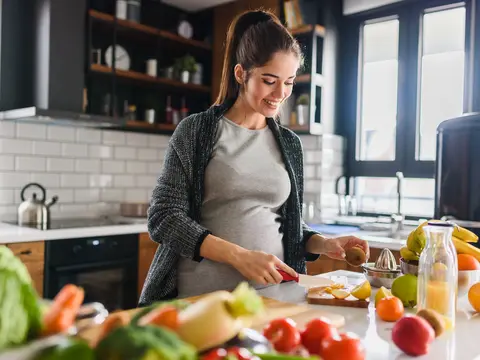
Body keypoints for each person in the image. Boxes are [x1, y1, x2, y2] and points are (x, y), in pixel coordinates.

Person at [139, 9, 369, 305]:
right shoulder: (197, 131)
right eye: (269, 80)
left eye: (288, 82)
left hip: (275, 299)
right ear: (240, 74)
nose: (281, 93)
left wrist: (323, 243)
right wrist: (239, 257)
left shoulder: (289, 143)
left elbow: (287, 224)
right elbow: (164, 217)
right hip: (202, 300)